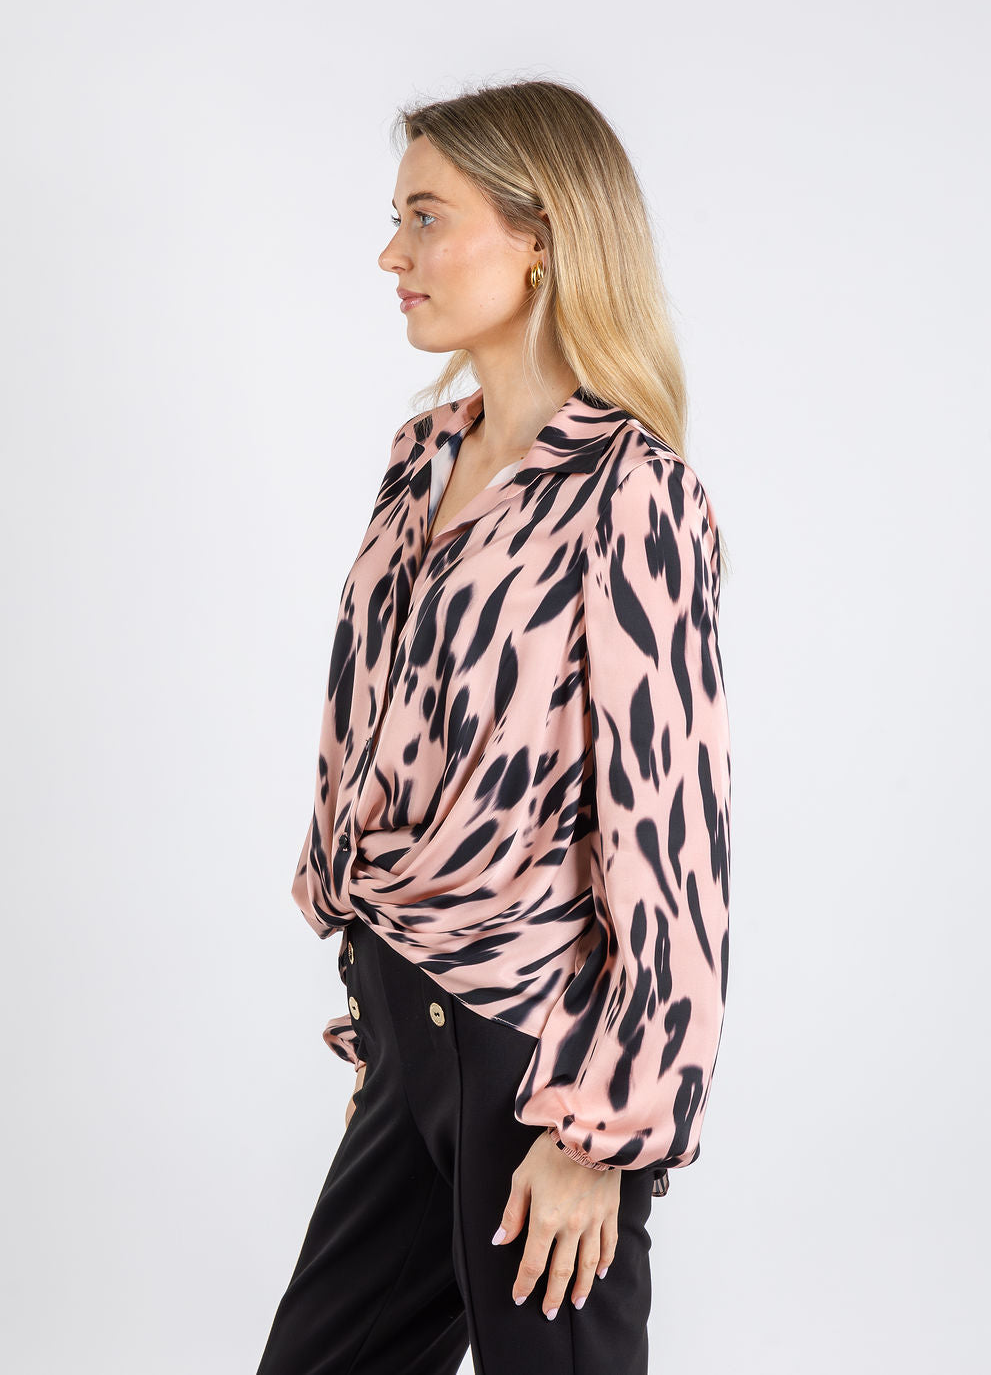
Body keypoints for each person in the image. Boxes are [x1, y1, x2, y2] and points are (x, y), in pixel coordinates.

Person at [256, 77, 732, 1375]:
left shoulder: (631, 494)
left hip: (542, 1066)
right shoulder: (420, 461)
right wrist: (378, 1042)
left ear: (541, 238)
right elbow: (371, 733)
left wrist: (602, 1137)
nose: (390, 254)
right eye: (395, 218)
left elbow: (672, 844)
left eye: (426, 216)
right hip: (405, 1020)